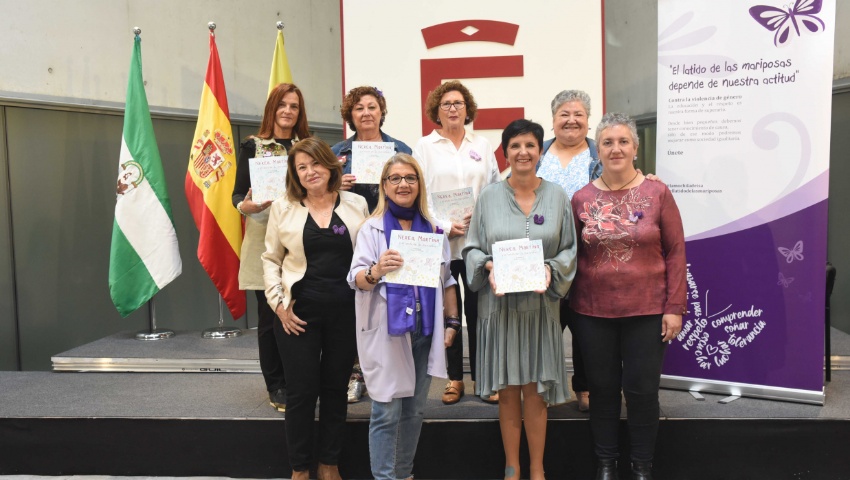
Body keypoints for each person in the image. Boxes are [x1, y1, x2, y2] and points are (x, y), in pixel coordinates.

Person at [569, 113, 686, 480]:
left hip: (648, 310)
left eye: (623, 141)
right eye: (607, 142)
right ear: (597, 150)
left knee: (641, 391)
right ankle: (606, 464)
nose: (615, 148)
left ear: (635, 148)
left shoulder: (657, 193)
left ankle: (641, 466)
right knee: (601, 391)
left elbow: (676, 251)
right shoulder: (581, 199)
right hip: (592, 312)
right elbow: (570, 255)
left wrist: (674, 308)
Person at [462, 119, 577, 480]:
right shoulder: (489, 197)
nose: (523, 152)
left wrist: (551, 269)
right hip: (500, 309)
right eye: (515, 146)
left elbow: (570, 249)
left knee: (536, 391)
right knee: (509, 392)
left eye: (530, 145)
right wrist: (488, 265)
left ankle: (538, 469)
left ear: (540, 151)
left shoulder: (557, 196)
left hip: (541, 310)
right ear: (506, 153)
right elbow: (471, 248)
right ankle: (512, 468)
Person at [262, 137, 369, 480]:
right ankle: (299, 468)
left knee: (336, 389)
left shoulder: (356, 204)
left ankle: (329, 463)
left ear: (330, 164)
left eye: (316, 164)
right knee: (302, 392)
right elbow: (270, 260)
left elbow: (368, 255)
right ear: (295, 174)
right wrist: (279, 306)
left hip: (346, 312)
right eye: (302, 168)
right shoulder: (283, 207)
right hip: (297, 315)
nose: (310, 172)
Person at [348, 153, 460, 480]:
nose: (403, 184)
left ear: (419, 185)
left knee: (414, 411)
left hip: (424, 331)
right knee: (386, 410)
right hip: (387, 331)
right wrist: (376, 270)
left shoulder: (433, 230)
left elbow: (447, 279)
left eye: (410, 178)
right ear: (384, 185)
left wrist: (452, 322)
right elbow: (355, 279)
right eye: (395, 178)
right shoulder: (371, 229)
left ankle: (404, 474)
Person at [413, 80, 501, 405]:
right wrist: (443, 226)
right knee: (449, 315)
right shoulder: (424, 147)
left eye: (458, 103)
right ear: (437, 110)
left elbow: (494, 189)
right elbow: (416, 194)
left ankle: (482, 378)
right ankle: (453, 380)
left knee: (480, 313)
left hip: (478, 245)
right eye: (446, 103)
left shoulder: (483, 144)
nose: (453, 108)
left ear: (468, 109)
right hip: (443, 246)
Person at [232, 82, 311, 413]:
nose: (288, 111)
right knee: (269, 317)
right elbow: (238, 195)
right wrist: (245, 208)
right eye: (283, 105)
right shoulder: (253, 146)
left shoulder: (307, 147)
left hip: (299, 240)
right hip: (263, 236)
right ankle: (276, 384)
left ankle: (300, 380)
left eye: (294, 106)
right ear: (272, 109)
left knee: (299, 313)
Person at [332, 85, 412, 403]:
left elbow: (414, 186)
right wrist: (334, 181)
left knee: (388, 302)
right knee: (355, 306)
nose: (366, 113)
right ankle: (355, 371)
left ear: (381, 112)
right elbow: (318, 192)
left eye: (371, 107)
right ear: (350, 115)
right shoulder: (338, 152)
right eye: (359, 108)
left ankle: (390, 369)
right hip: (347, 237)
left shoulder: (399, 148)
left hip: (390, 233)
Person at [535, 89, 599, 413]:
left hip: (589, 254)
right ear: (553, 120)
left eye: (578, 114)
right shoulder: (537, 154)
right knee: (543, 325)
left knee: (585, 324)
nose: (571, 120)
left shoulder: (599, 155)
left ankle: (584, 385)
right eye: (564, 114)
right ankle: (542, 387)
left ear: (588, 121)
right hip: (542, 255)